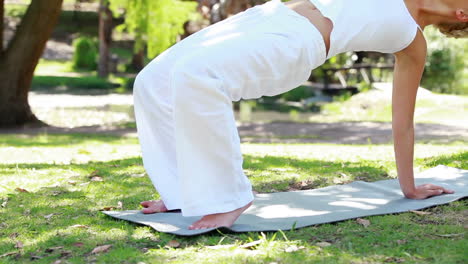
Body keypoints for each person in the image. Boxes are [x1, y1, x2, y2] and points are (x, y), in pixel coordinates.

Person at [133, 0, 467, 230]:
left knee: (197, 74)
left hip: (296, 42)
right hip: (267, 16)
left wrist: (408, 187)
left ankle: (228, 198)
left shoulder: (413, 43)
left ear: (462, 12)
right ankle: (179, 192)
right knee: (153, 81)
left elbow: (402, 122)